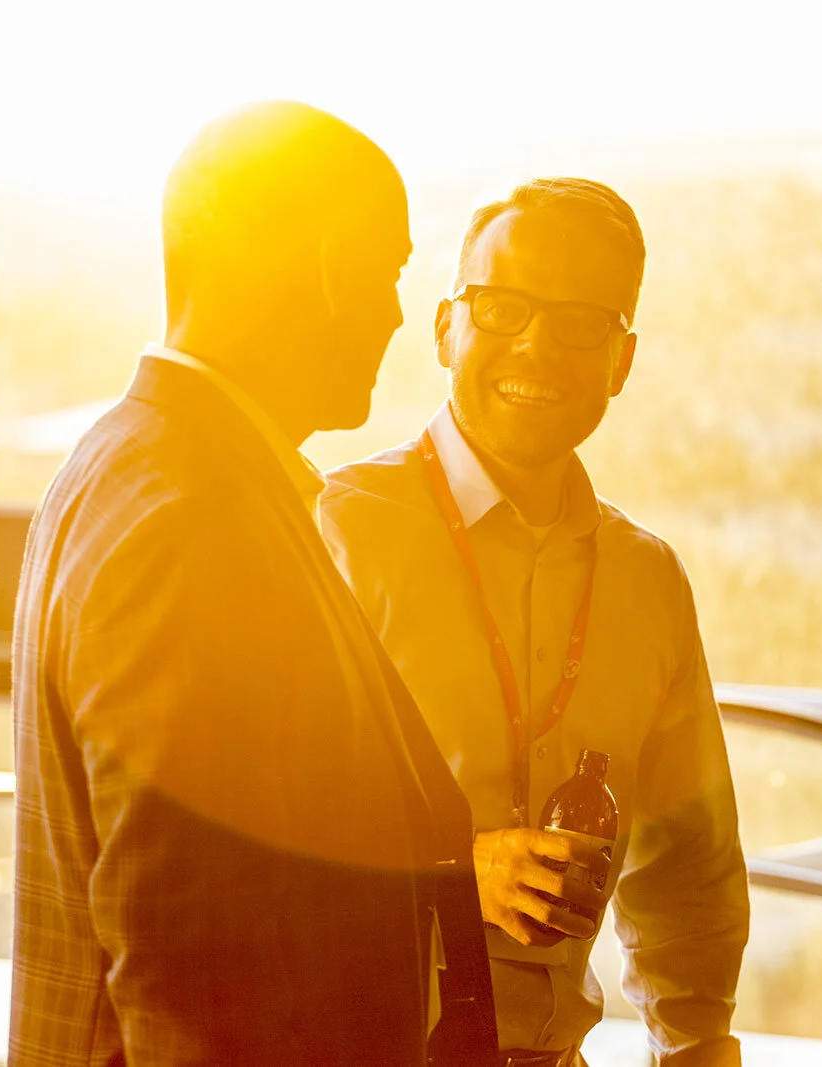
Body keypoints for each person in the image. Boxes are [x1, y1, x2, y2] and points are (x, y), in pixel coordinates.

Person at [8, 102, 496, 1066]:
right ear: (325, 265)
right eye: (389, 270)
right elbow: (190, 977)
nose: (396, 313)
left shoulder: (130, 464)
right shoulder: (193, 519)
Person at [321, 177, 750, 1067]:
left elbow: (689, 870)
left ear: (623, 360)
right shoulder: (341, 531)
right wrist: (451, 868)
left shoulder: (648, 577)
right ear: (446, 329)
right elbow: (249, 825)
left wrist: (700, 1045)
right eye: (504, 306)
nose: (537, 344)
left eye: (581, 320)